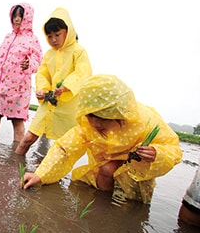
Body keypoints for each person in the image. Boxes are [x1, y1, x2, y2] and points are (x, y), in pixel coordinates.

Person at [21, 74, 182, 204]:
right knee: (106, 172)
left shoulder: (147, 121)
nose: (96, 123)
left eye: (103, 118)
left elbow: (173, 149)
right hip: (105, 170)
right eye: (91, 116)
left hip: (136, 172)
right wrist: (40, 175)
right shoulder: (88, 126)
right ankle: (103, 207)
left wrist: (156, 153)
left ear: (119, 115)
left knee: (129, 204)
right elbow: (65, 149)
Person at [15, 7, 92, 155]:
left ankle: (52, 176)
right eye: (50, 36)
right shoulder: (49, 54)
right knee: (27, 139)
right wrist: (42, 89)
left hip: (68, 107)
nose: (54, 39)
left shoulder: (78, 51)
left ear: (67, 31)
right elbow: (42, 73)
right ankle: (13, 168)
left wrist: (65, 87)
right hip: (48, 103)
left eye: (58, 34)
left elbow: (83, 73)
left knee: (64, 148)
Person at [0, 3, 42, 142]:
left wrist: (29, 64)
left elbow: (38, 61)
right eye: (15, 15)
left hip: (17, 87)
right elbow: (1, 60)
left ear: (28, 17)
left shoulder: (32, 39)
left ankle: (17, 155)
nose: (17, 19)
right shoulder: (8, 37)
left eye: (21, 15)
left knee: (17, 120)